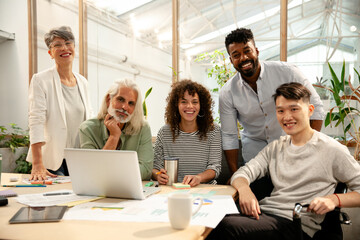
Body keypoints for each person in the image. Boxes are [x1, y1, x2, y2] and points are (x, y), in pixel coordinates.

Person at [208, 82, 360, 240]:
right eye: (280, 111)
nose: (287, 117)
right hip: (265, 214)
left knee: (227, 228)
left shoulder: (332, 149)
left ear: (310, 111)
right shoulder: (275, 147)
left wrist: (334, 199)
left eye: (294, 109)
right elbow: (242, 173)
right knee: (210, 219)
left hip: (296, 224)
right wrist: (245, 190)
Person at [220, 28, 325, 175]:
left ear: (256, 51)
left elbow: (317, 108)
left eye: (247, 51)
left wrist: (306, 148)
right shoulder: (227, 92)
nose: (243, 58)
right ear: (231, 60)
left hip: (292, 151)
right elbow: (229, 135)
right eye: (236, 55)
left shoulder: (288, 72)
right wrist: (235, 174)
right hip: (254, 159)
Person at [27, 26, 93, 180]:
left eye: (68, 43)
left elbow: (89, 121)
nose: (64, 48)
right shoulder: (40, 80)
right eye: (57, 45)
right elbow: (36, 120)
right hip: (52, 160)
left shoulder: (83, 82)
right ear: (50, 53)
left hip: (79, 159)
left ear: (74, 48)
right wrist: (37, 163)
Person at [79, 79, 153, 180]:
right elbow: (92, 172)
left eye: (131, 103)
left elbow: (145, 171)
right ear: (108, 100)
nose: (124, 107)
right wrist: (114, 137)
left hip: (130, 189)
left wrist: (109, 171)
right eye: (120, 99)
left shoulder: (143, 128)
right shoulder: (87, 129)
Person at [152, 80, 221, 187]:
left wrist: (199, 178)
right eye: (184, 102)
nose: (189, 106)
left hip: (204, 190)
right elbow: (155, 167)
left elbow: (214, 168)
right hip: (172, 189)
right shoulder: (164, 132)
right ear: (176, 105)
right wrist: (158, 176)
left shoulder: (213, 131)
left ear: (201, 105)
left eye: (194, 102)